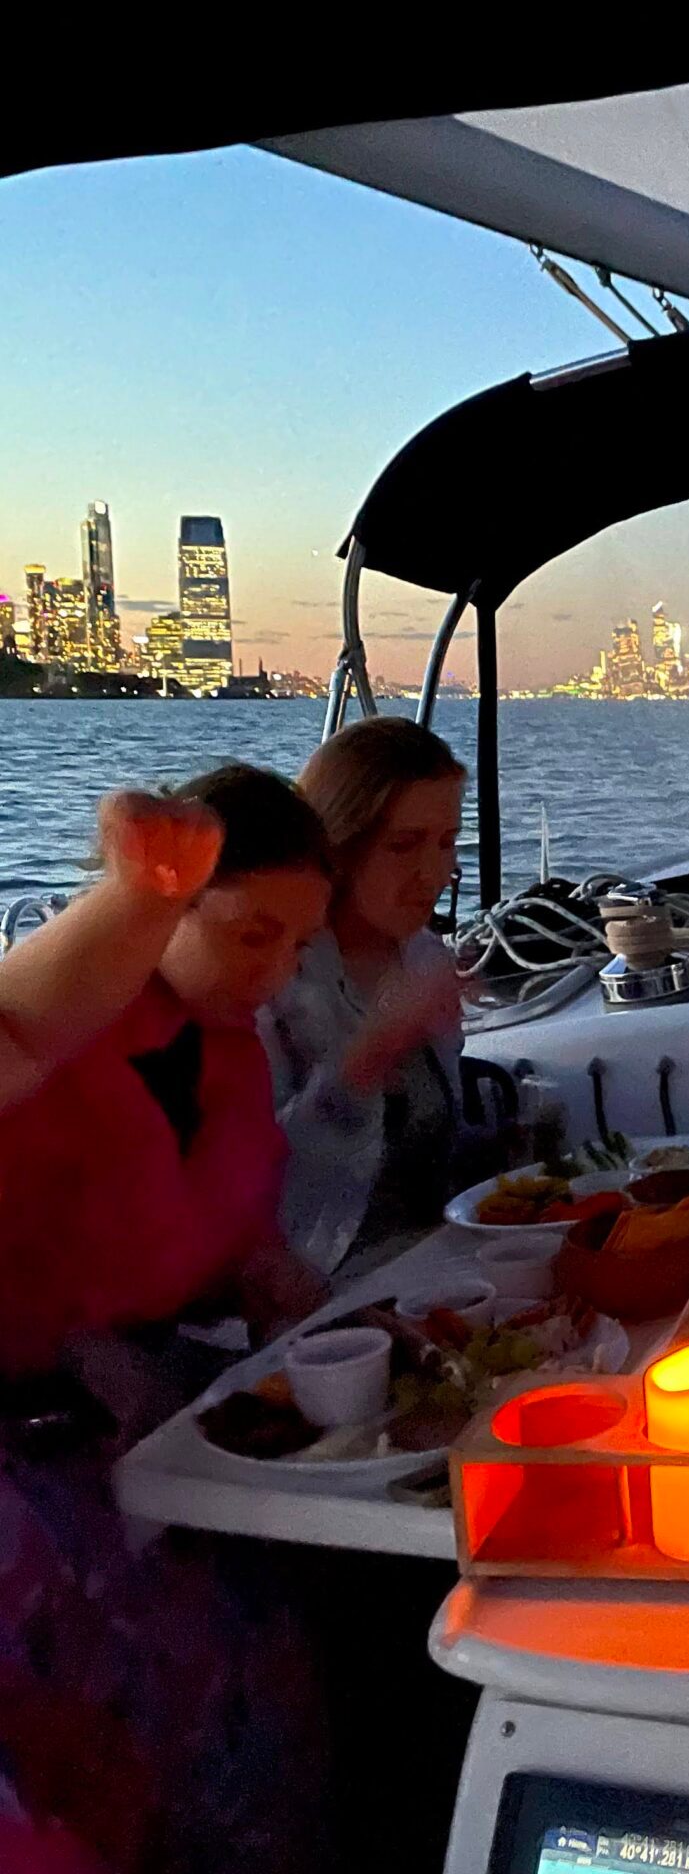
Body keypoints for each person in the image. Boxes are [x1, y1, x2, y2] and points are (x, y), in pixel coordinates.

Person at [0, 774, 336, 1872]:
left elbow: (211, 1233)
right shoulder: (54, 1047)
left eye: (298, 947)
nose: (276, 975)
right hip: (34, 1440)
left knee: (280, 1635)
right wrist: (70, 1344)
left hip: (158, 1417)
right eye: (252, 935)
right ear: (168, 911)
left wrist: (263, 1271)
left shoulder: (226, 1053)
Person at [264, 717, 474, 1270]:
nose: (433, 873)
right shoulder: (270, 984)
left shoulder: (424, 956)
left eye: (447, 842)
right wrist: (370, 1057)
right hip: (320, 1289)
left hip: (428, 1261)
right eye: (403, 846)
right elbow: (261, 1196)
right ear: (338, 847)